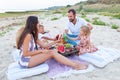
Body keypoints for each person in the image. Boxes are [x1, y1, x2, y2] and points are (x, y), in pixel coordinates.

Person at [17, 16, 87, 70]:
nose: (39, 24)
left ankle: (72, 63)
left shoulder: (33, 34)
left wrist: (56, 41)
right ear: (33, 24)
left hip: (31, 57)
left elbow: (44, 45)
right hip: (25, 61)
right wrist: (41, 51)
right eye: (38, 23)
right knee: (52, 53)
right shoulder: (28, 35)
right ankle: (75, 66)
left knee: (53, 51)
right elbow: (25, 53)